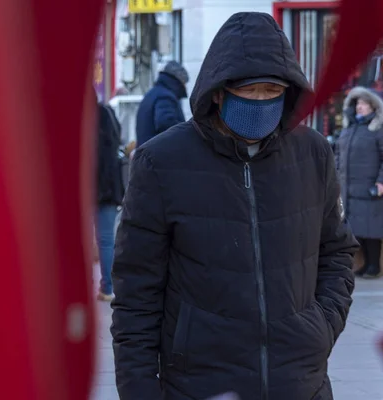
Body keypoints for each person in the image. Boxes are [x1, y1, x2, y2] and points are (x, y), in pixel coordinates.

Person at [111, 12, 358, 400]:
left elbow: (337, 253)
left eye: (271, 90)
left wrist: (320, 327)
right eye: (250, 90)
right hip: (200, 384)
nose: (261, 101)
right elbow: (136, 296)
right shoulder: (160, 162)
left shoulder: (313, 154)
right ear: (220, 91)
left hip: (300, 384)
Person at [336, 87, 383, 279]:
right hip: (351, 189)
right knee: (358, 230)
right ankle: (365, 265)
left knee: (373, 230)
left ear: (373, 107)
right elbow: (339, 154)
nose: (360, 107)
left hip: (372, 188)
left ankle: (374, 265)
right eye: (357, 104)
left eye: (364, 103)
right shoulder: (350, 128)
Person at [95, 95, 123, 301]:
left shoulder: (82, 117)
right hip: (110, 185)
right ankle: (108, 287)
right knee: (107, 240)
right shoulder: (108, 114)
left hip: (90, 185)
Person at [135, 61, 189, 146]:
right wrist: (186, 133)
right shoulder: (165, 96)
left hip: (147, 153)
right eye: (184, 83)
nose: (185, 87)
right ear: (178, 81)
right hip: (159, 155)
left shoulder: (153, 94)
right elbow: (166, 123)